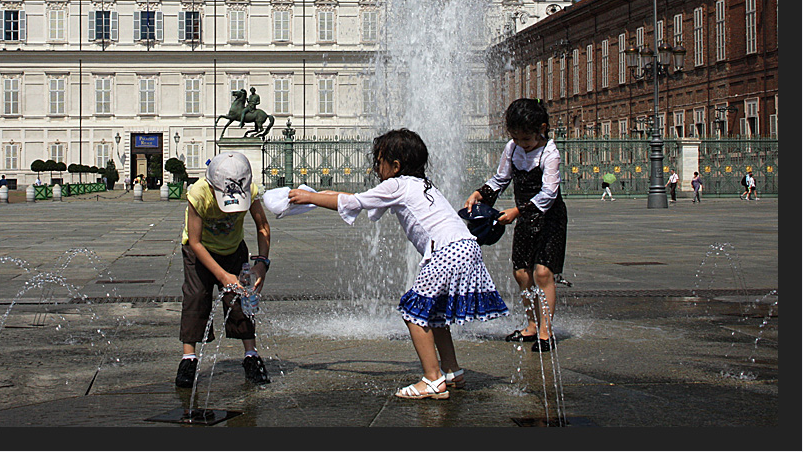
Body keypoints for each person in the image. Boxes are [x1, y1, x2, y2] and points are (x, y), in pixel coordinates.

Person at [288, 128, 508, 400]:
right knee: (435, 313)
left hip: (446, 252)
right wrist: (317, 193)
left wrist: (309, 198)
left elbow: (352, 202)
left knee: (413, 311)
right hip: (467, 247)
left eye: (378, 162)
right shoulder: (422, 184)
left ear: (395, 166)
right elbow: (353, 197)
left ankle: (432, 379)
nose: (375, 168)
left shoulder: (396, 185)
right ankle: (452, 371)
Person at [465, 98, 569, 354]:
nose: (522, 144)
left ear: (541, 128)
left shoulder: (550, 153)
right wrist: (481, 193)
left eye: (526, 139)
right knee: (521, 273)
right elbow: (501, 178)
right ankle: (531, 325)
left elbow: (549, 193)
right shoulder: (512, 149)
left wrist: (517, 211)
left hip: (549, 218)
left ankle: (546, 331)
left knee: (543, 273)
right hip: (524, 218)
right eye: (517, 138)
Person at [176, 151, 272, 388]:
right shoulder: (198, 193)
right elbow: (195, 242)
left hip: (234, 248)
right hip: (199, 251)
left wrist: (262, 264)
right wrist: (222, 275)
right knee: (196, 297)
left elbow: (262, 226)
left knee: (242, 300)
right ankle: (188, 358)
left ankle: (251, 355)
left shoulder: (249, 190)